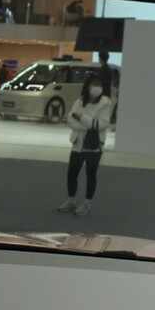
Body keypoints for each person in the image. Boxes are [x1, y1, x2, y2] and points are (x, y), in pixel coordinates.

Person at [58, 74, 113, 216]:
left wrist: (81, 117)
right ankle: (71, 200)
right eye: (94, 85)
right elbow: (70, 119)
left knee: (91, 174)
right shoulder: (80, 100)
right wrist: (87, 125)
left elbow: (102, 124)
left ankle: (87, 203)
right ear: (87, 86)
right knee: (72, 173)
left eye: (99, 85)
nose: (96, 88)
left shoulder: (105, 103)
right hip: (78, 143)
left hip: (94, 146)